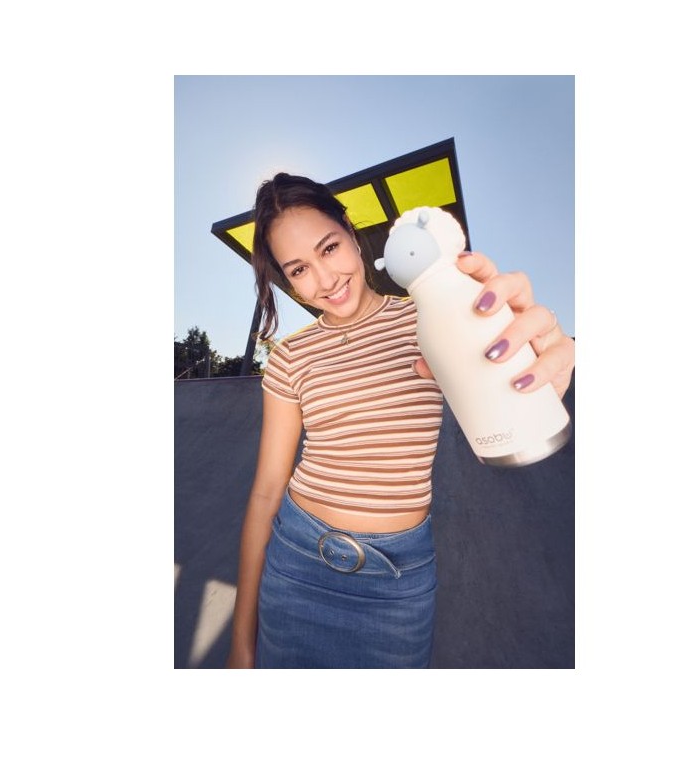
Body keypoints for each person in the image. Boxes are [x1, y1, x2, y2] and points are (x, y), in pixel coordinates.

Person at [226, 172, 574, 669]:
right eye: (299, 269)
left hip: (397, 584)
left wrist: (544, 360)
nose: (325, 279)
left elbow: (510, 392)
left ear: (351, 233)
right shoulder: (291, 356)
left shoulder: (429, 316)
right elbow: (266, 492)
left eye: (329, 249)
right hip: (296, 567)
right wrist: (241, 642)